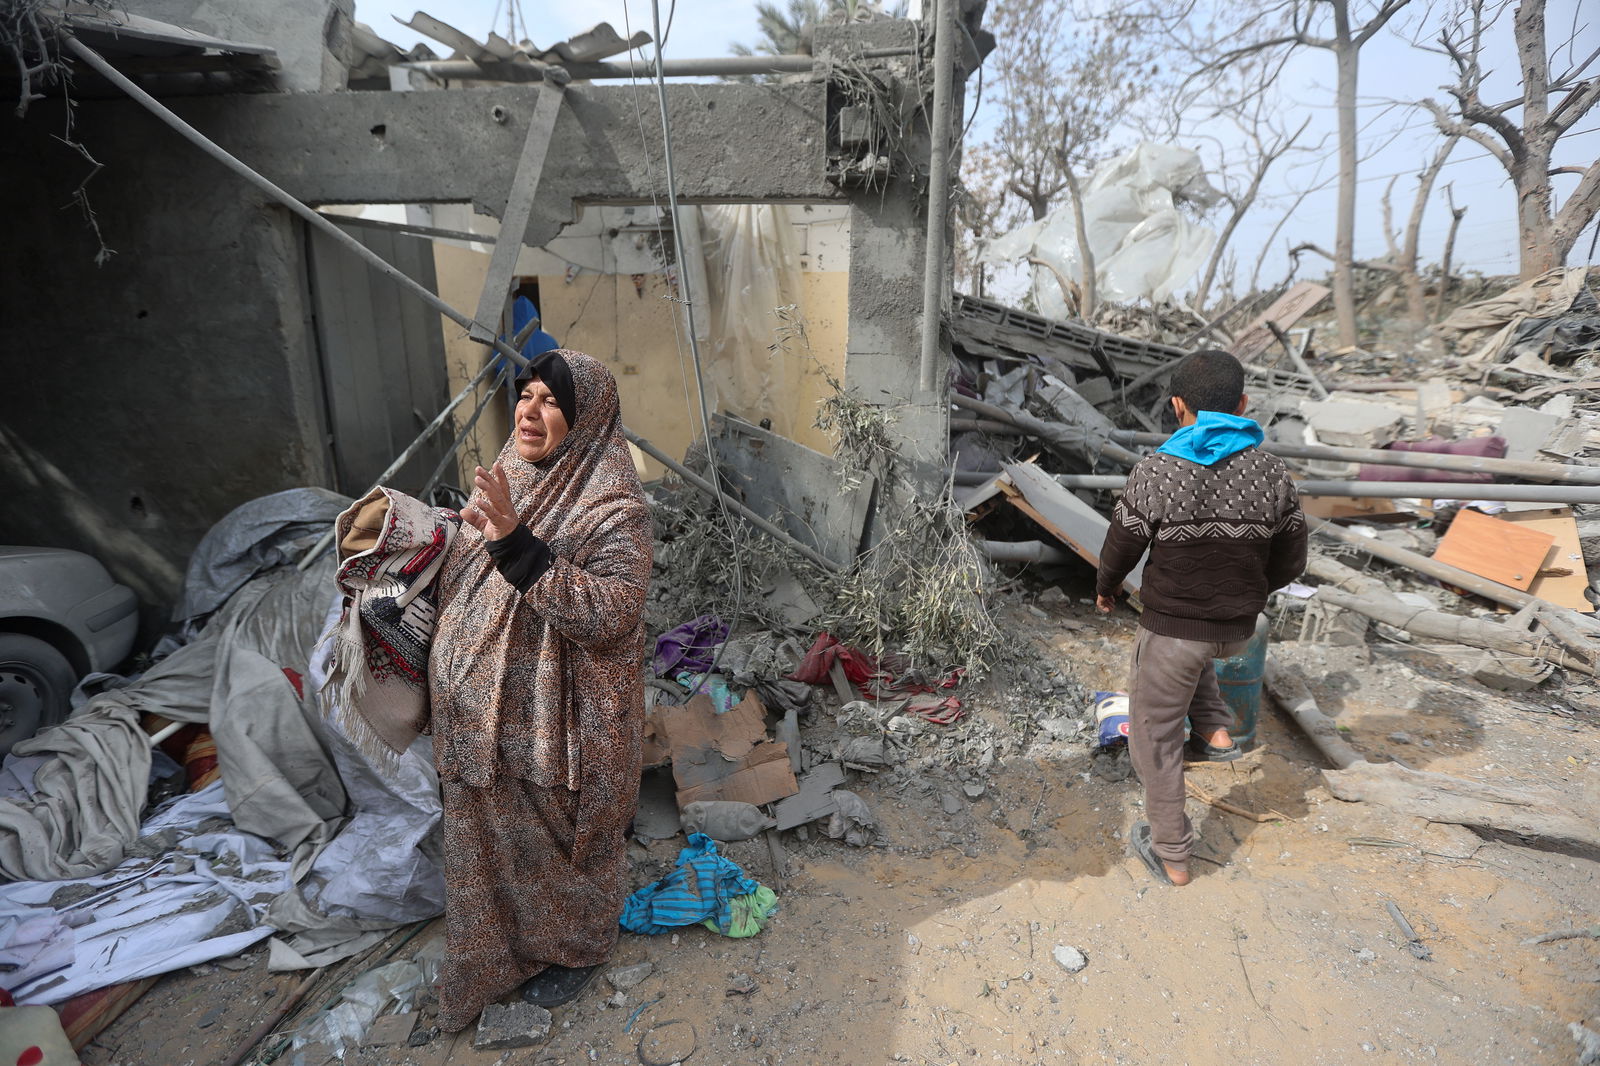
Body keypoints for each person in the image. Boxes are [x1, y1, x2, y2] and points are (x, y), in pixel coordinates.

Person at [428, 349, 653, 1029]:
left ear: (586, 418)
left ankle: (576, 949)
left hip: (561, 721)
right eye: (525, 395)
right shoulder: (511, 474)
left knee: (560, 845)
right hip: (480, 716)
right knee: (485, 845)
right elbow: (469, 563)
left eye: (551, 401)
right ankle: (496, 956)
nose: (529, 411)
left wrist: (515, 542)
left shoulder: (614, 506)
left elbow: (612, 613)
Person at [1094, 349, 1306, 887]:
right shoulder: (1273, 472)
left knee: (1155, 736)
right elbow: (1292, 561)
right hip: (1237, 631)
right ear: (1243, 404)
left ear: (1176, 406)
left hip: (1176, 632)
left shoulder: (1159, 469)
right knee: (1195, 646)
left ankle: (1172, 854)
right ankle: (1214, 731)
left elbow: (1122, 545)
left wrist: (1106, 588)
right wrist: (1247, 594)